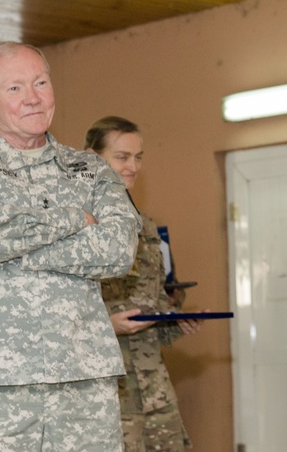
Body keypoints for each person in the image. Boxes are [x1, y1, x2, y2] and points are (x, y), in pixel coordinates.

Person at [0, 42, 141, 452]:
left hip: (83, 387)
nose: (33, 98)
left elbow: (117, 250)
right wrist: (75, 219)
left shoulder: (90, 169)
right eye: (15, 88)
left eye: (41, 82)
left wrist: (10, 236)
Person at [85, 116, 200, 452]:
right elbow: (51, 319)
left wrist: (176, 320)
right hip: (105, 395)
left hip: (155, 394)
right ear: (92, 157)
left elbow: (152, 306)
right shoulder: (75, 224)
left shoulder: (145, 227)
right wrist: (108, 328)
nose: (133, 167)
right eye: (122, 157)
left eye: (138, 157)